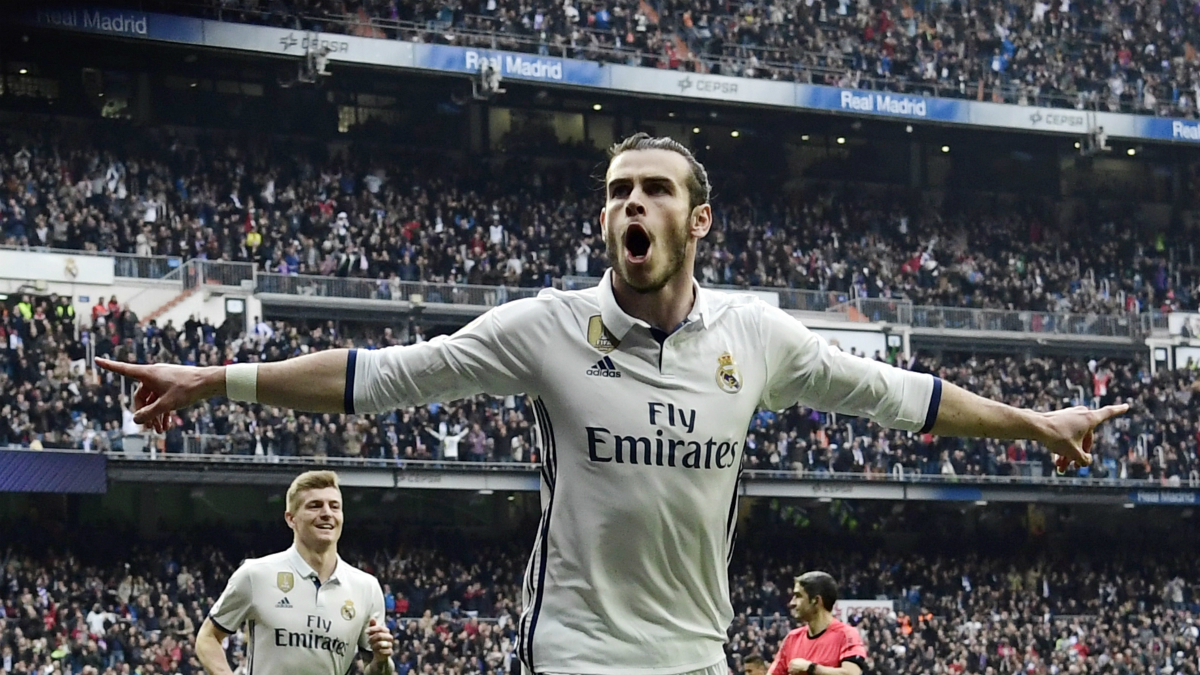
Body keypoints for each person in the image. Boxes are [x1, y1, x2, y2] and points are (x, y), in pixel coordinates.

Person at [98, 133, 1126, 675]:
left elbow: (902, 398)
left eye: (654, 189)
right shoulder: (545, 327)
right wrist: (212, 379)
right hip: (570, 656)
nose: (631, 204)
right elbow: (379, 377)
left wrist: (1037, 423)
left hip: (692, 656)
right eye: (616, 190)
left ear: (699, 217)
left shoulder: (756, 341)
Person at [192, 471, 395, 675]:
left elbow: (377, 671)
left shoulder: (366, 588)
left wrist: (382, 660)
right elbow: (207, 638)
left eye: (334, 506)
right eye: (314, 506)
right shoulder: (256, 575)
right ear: (291, 519)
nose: (327, 513)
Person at [768, 572, 866, 675]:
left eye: (798, 596)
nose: (792, 602)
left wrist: (810, 668)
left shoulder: (846, 635)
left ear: (816, 600)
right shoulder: (792, 639)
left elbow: (852, 673)